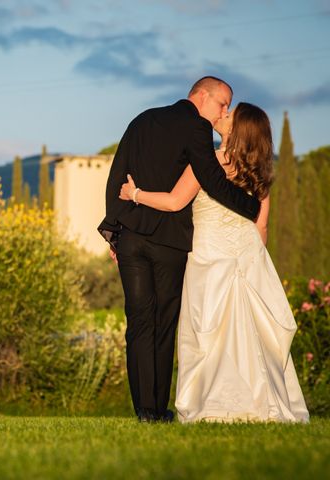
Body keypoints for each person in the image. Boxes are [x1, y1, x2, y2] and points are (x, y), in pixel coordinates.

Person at [118, 102, 309, 423]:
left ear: (236, 130)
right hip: (247, 254)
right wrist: (252, 262)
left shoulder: (209, 162)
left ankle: (211, 403)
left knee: (207, 331)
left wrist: (135, 194)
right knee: (250, 332)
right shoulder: (261, 170)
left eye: (229, 115)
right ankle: (260, 401)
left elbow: (176, 200)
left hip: (208, 255)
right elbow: (261, 227)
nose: (222, 115)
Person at [97, 76, 261, 422]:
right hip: (168, 243)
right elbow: (212, 180)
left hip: (131, 237)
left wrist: (114, 231)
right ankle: (157, 409)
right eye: (222, 104)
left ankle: (143, 411)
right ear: (202, 97)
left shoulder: (141, 119)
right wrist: (250, 207)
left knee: (139, 322)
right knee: (163, 324)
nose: (224, 112)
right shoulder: (196, 128)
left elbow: (116, 179)